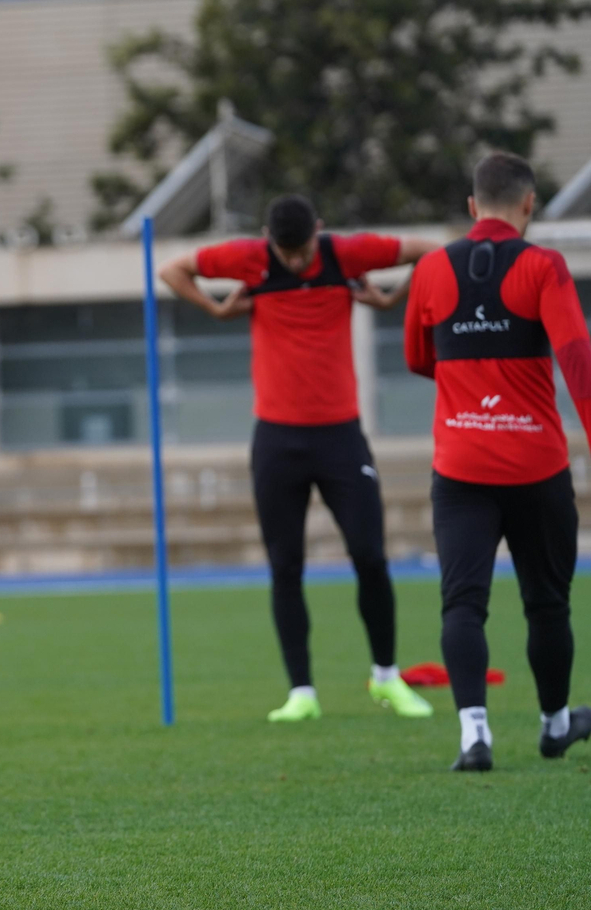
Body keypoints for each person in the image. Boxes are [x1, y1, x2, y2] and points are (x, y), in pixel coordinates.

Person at [160, 195, 442, 722]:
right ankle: (302, 692)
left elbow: (430, 253)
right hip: (276, 439)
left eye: (301, 250)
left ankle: (386, 677)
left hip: (340, 436)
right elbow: (172, 269)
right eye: (284, 252)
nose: (292, 261)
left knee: (370, 557)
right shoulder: (250, 258)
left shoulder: (347, 254)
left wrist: (389, 299)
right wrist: (215, 308)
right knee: (285, 566)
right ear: (269, 237)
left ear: (320, 229)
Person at [403, 151, 591, 772]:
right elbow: (577, 362)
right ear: (529, 205)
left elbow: (417, 357)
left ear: (471, 206)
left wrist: (469, 375)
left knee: (462, 604)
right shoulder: (544, 265)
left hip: (460, 469)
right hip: (536, 467)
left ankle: (473, 736)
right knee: (547, 603)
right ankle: (555, 725)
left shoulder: (431, 268)